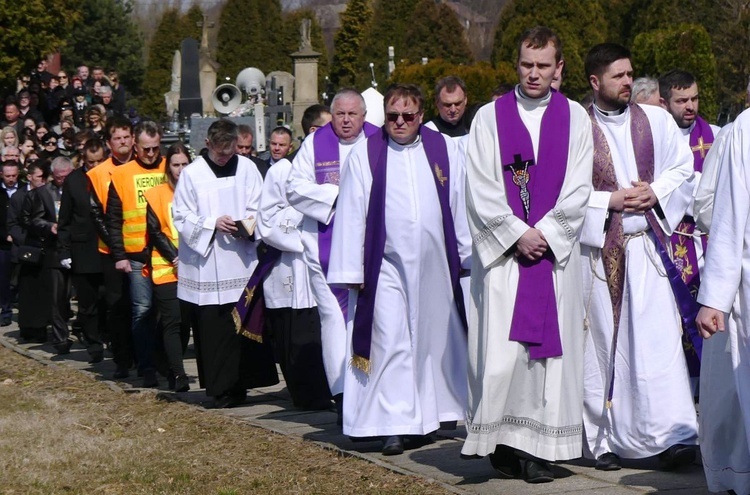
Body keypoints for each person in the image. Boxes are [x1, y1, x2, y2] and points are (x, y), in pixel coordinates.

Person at [460, 26, 593, 483]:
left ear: (559, 68)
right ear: (516, 64)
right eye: (526, 64)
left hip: (554, 262)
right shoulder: (487, 118)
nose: (533, 74)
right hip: (506, 263)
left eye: (543, 66)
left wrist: (548, 233)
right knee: (503, 354)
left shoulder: (576, 118)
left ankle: (539, 448)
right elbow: (478, 188)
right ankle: (501, 441)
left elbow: (580, 187)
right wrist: (517, 234)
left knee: (548, 362)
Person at [328, 83, 471, 455]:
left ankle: (426, 418)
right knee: (391, 340)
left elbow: (457, 201)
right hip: (384, 266)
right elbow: (352, 212)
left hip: (435, 265)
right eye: (393, 116)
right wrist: (351, 269)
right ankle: (393, 424)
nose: (401, 122)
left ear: (421, 116)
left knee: (430, 343)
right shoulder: (366, 155)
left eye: (409, 115)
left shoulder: (443, 149)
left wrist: (466, 254)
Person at [580, 43, 697, 472]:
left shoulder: (656, 119)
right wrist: (609, 200)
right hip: (599, 254)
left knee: (657, 347)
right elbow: (563, 192)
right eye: (618, 76)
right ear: (595, 81)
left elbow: (681, 168)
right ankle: (602, 440)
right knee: (603, 350)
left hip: (647, 249)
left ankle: (673, 435)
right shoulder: (577, 125)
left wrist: (656, 192)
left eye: (631, 74)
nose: (628, 81)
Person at [173, 119, 278, 408]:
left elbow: (261, 205)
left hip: (241, 259)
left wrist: (247, 224)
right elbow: (180, 215)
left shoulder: (247, 168)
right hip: (208, 266)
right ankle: (220, 388)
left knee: (243, 325)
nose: (224, 157)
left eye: (229, 151)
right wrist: (211, 224)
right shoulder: (192, 174)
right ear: (207, 145)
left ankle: (243, 385)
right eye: (219, 153)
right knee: (215, 330)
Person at [287, 88, 378, 417]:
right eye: (340, 114)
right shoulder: (315, 144)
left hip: (370, 250)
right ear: (332, 114)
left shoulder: (378, 141)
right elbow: (294, 188)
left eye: (353, 114)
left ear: (364, 116)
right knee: (334, 321)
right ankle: (341, 394)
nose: (346, 120)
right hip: (323, 248)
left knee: (370, 319)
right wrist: (338, 197)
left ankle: (370, 390)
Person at [255, 111, 332, 411]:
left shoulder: (330, 168)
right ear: (313, 131)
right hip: (291, 262)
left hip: (324, 262)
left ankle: (331, 389)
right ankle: (305, 394)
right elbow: (267, 219)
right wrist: (303, 235)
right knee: (297, 331)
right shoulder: (281, 170)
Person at [658, 69, 722, 389]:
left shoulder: (716, 134)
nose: (690, 106)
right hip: (675, 238)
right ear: (663, 102)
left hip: (710, 238)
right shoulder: (657, 141)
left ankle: (710, 380)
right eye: (682, 100)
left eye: (694, 98)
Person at [106, 121, 166, 388]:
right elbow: (114, 219)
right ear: (135, 146)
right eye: (146, 149)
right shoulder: (121, 175)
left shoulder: (170, 168)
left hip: (167, 253)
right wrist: (118, 255)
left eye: (155, 149)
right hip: (137, 255)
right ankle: (147, 367)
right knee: (142, 311)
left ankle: (168, 364)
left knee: (169, 314)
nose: (151, 154)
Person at [88, 116, 134, 379]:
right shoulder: (97, 175)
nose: (123, 142)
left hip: (143, 250)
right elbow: (97, 215)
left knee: (143, 308)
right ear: (109, 143)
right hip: (112, 253)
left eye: (127, 137)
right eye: (117, 138)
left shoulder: (146, 168)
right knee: (117, 307)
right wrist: (118, 247)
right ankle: (122, 359)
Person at [145, 143, 191, 393]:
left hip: (192, 266)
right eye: (176, 165)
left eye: (185, 164)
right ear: (168, 167)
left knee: (184, 324)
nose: (181, 170)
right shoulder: (156, 193)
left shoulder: (197, 191)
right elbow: (154, 230)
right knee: (172, 321)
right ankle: (179, 373)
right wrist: (175, 256)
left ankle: (166, 362)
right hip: (166, 266)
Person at [57, 139, 108, 363]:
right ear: (83, 159)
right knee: (88, 302)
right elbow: (65, 219)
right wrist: (64, 251)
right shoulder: (74, 180)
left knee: (109, 297)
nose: (95, 166)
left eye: (99, 161)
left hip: (107, 248)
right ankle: (94, 343)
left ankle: (110, 338)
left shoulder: (110, 175)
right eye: (91, 162)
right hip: (83, 249)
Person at [19, 157, 73, 352]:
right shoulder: (42, 193)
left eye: (66, 177)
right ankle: (61, 338)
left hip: (77, 247)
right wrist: (50, 226)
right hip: (55, 250)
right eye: (59, 178)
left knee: (73, 296)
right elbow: (33, 220)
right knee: (57, 297)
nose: (63, 181)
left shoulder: (79, 187)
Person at [0, 162, 21, 326]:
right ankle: (5, 310)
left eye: (14, 175)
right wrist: (5, 235)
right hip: (3, 243)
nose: (11, 179)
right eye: (8, 176)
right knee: (4, 279)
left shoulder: (24, 190)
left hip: (22, 241)